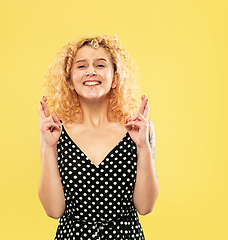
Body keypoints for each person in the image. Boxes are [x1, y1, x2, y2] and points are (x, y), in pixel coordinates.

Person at [38, 35, 159, 240]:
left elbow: (145, 206)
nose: (91, 71)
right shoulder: (55, 131)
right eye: (81, 66)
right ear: (69, 81)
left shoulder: (138, 129)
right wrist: (49, 147)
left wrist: (143, 147)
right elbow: (54, 210)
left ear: (116, 79)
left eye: (100, 65)